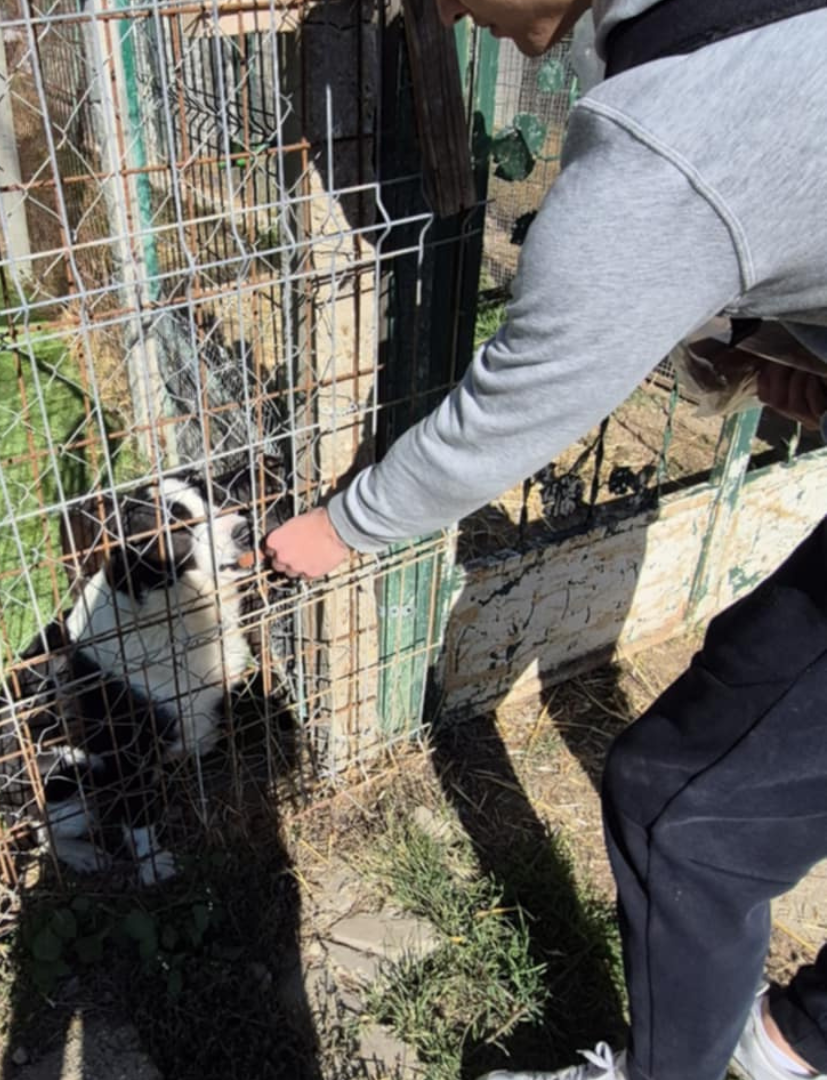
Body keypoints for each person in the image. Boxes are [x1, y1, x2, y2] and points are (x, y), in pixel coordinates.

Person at [262, 3, 827, 1080]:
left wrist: (339, 526)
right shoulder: (756, 35)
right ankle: (800, 1041)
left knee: (684, 811)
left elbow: (512, 408)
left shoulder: (668, 144)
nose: (443, 11)